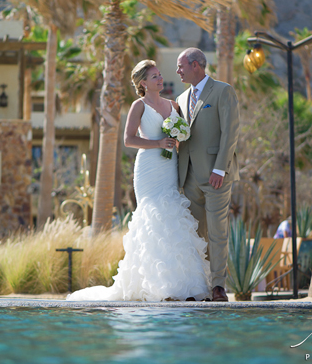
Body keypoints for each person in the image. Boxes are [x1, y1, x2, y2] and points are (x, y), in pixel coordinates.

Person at [67, 60, 211, 302]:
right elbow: (128, 139)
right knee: (152, 216)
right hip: (148, 169)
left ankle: (183, 286)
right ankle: (157, 288)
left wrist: (177, 139)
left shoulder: (173, 105)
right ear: (143, 83)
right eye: (154, 76)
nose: (160, 79)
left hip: (169, 167)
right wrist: (157, 143)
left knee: (172, 216)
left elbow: (182, 136)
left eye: (159, 74)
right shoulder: (138, 106)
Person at [175, 48, 240, 302]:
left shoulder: (223, 91)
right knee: (195, 233)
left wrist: (220, 168)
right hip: (188, 176)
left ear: (196, 65)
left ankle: (218, 287)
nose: (178, 71)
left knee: (217, 232)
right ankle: (198, 285)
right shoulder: (180, 99)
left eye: (181, 66)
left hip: (216, 177)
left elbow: (231, 132)